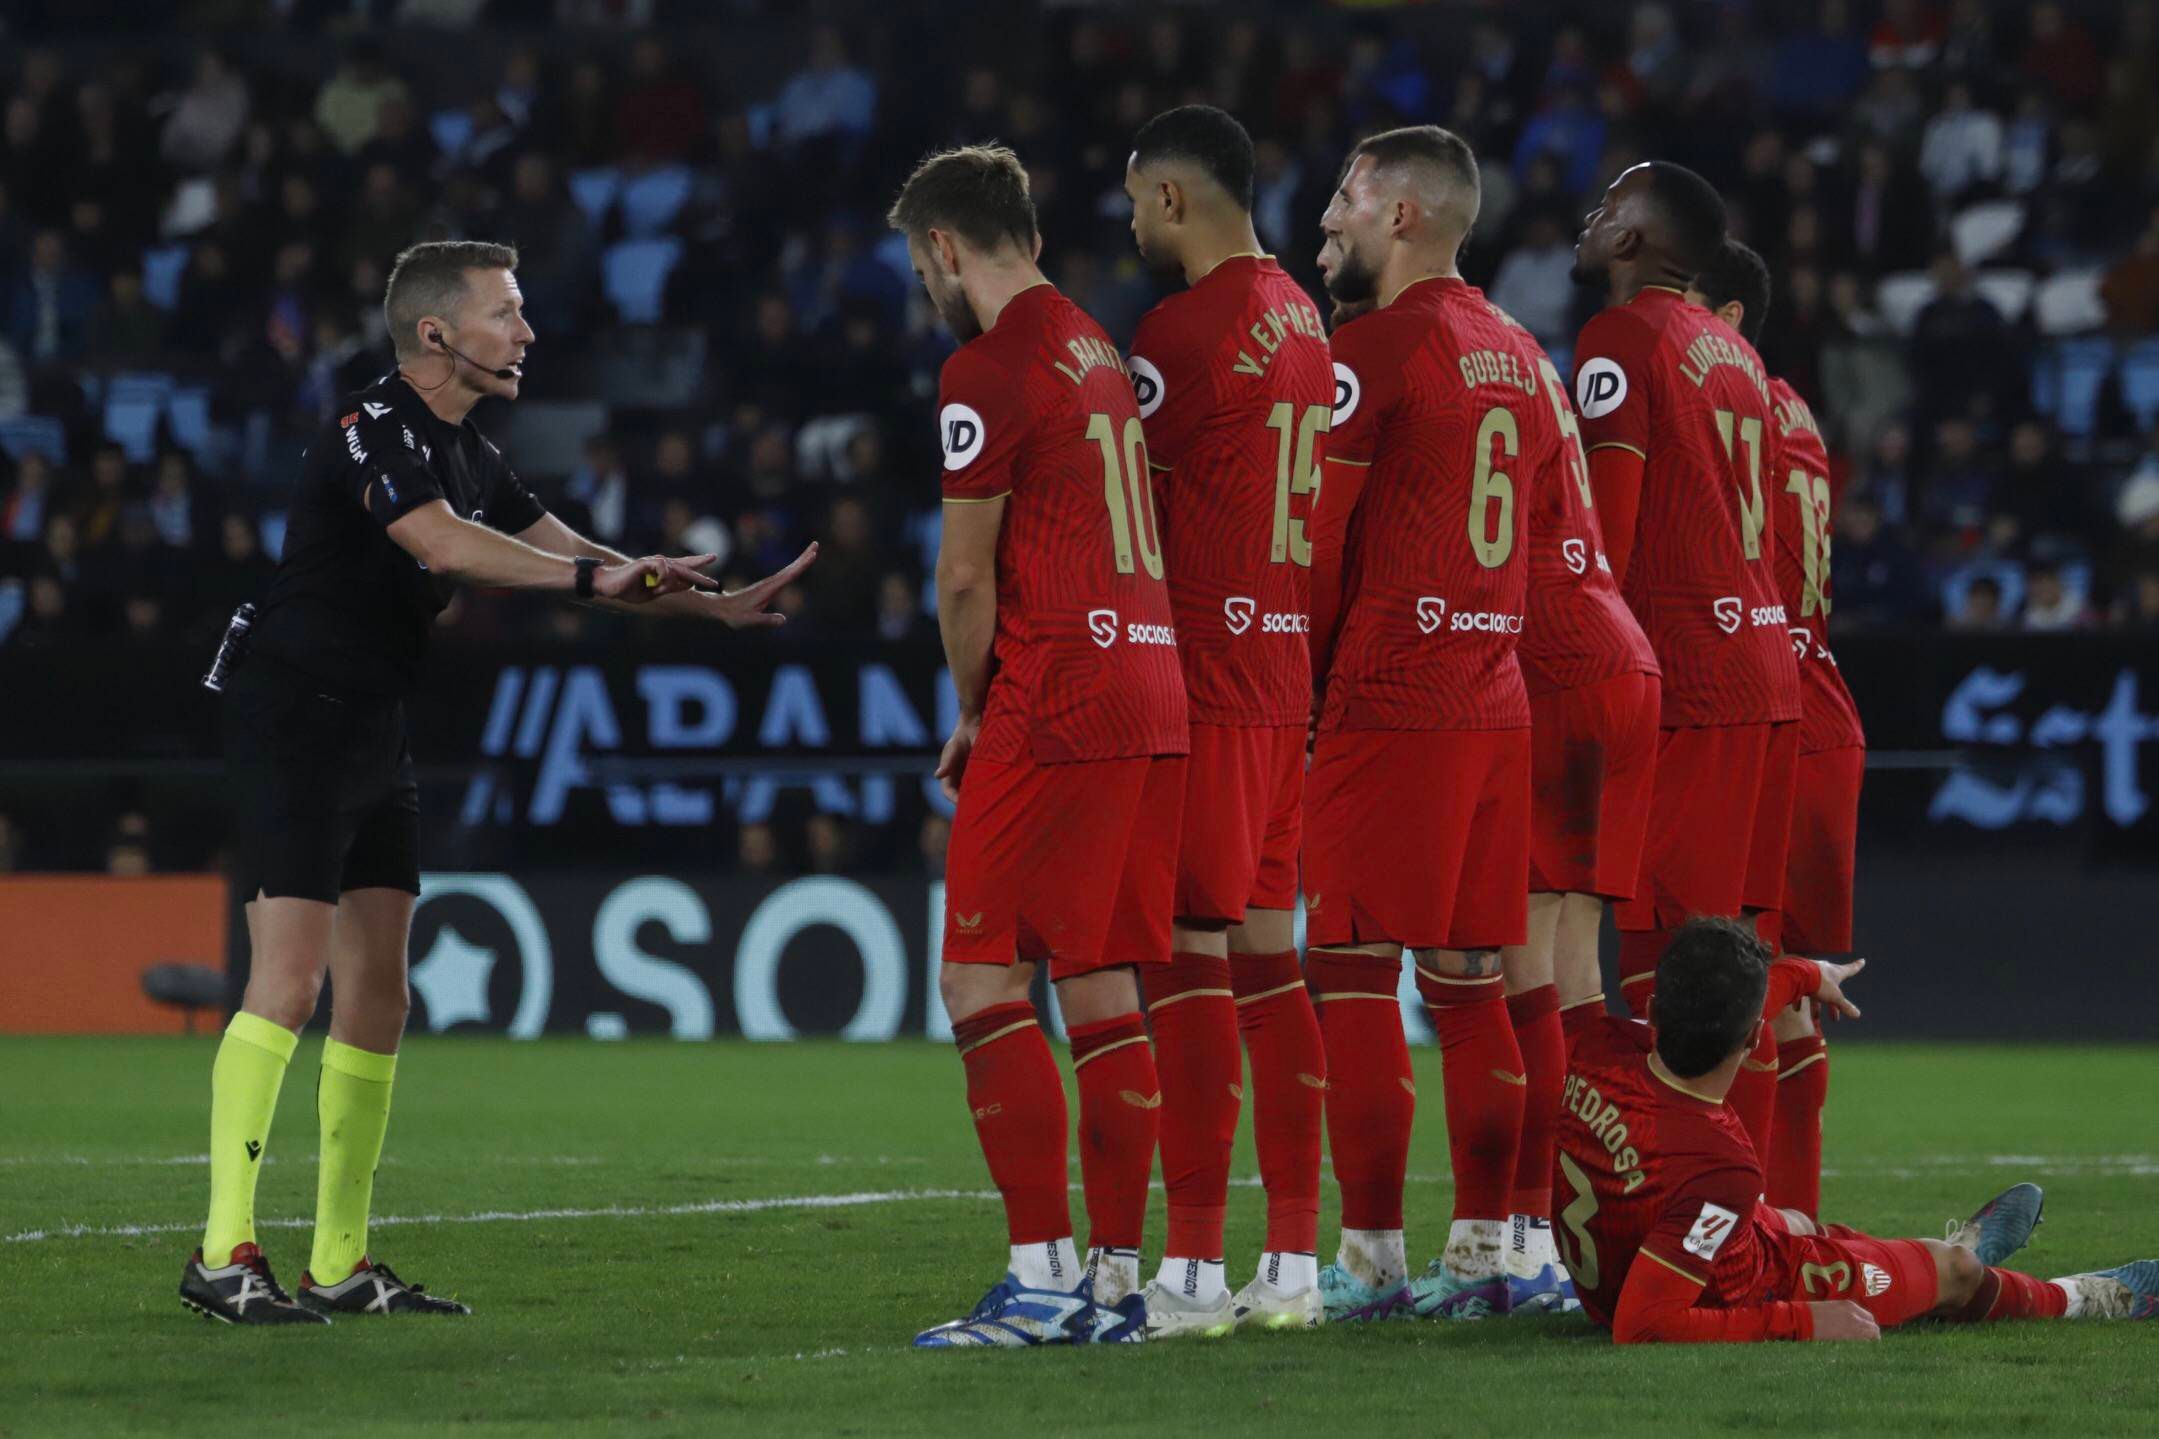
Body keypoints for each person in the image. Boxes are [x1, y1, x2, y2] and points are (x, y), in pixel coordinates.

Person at [179, 240, 816, 1326]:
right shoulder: (370, 426)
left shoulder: (467, 450)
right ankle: (223, 1251)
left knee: (380, 993)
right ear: (436, 334)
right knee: (289, 982)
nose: (525, 332)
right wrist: (589, 574)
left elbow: (573, 553)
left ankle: (339, 1260)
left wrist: (699, 603)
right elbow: (446, 548)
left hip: (373, 723)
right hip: (294, 711)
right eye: (505, 313)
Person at [888, 145, 1189, 1348]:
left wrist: (973, 703)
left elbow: (964, 577)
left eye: (921, 264)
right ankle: (1114, 1279)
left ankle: (1040, 1277)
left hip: (1057, 687)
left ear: (948, 249)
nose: (925, 284)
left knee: (979, 976)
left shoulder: (987, 363)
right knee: (1103, 977)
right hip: (1149, 683)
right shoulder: (1095, 347)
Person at [1305, 126, 1548, 1323]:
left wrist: (1297, 684)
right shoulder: (1518, 351)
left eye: (1347, 196)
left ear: (1403, 215)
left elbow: (1315, 543)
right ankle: (1489, 1247)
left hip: (1393, 695)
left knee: (1347, 969)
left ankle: (1367, 1260)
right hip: (1494, 694)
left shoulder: (1376, 346)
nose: (1331, 216)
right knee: (1470, 985)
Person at [1120, 103, 1333, 1336]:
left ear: (1169, 199)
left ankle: (1193, 1273)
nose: (1127, 220)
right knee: (1266, 964)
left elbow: (1122, 495)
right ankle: (1292, 1264)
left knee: (1183, 963)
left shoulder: (1183, 329)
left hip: (1203, 671)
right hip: (1282, 678)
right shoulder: (1302, 316)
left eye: (1133, 199)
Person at [1557, 916, 2158, 1341]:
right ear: (1750, 1040)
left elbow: (1728, 1010)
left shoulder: (1604, 1047)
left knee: (1793, 1221)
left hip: (1622, 1266)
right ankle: (2084, 1297)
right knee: (1957, 1275)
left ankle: (1942, 1260)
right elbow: (1646, 1326)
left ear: (1655, 1009)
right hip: (1751, 1288)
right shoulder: (1719, 1168)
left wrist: (1800, 975)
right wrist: (1800, 1323)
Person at [1569, 163, 1803, 1027]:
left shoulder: (1619, 338)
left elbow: (1611, 538)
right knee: (1739, 957)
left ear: (1633, 238)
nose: (1588, 219)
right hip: (1763, 667)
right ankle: (1752, 1167)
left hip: (1689, 676)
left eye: (1605, 207)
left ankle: (1689, 1166)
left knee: (1664, 960)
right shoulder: (1737, 352)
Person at [1686, 240, 1867, 1219]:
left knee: (1735, 985)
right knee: (1788, 1001)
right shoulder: (1787, 404)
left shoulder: (1717, 401)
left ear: (1717, 309)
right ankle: (1783, 1217)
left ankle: (1741, 1219)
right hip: (1814, 703)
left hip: (1759, 710)